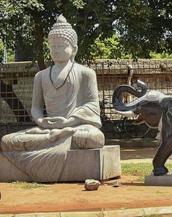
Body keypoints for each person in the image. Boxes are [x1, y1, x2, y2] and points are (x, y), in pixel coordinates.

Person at [1, 15, 104, 152]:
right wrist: (41, 121)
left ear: (74, 49)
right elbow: (36, 108)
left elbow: (92, 105)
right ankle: (56, 138)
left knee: (92, 137)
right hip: (47, 129)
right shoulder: (41, 76)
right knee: (8, 141)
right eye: (52, 46)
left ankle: (57, 137)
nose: (55, 50)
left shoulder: (86, 73)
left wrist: (69, 122)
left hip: (76, 127)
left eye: (61, 46)